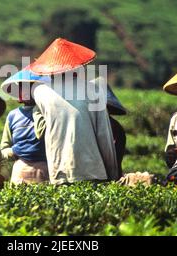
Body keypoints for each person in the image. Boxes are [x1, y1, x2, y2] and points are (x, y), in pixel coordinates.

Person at [28, 38, 119, 185]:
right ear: (76, 65)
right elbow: (104, 136)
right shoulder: (94, 89)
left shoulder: (38, 91)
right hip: (93, 170)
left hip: (58, 171)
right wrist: (113, 174)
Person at [0, 68, 50, 184]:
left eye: (30, 87)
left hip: (45, 167)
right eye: (22, 87)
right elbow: (4, 148)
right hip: (21, 169)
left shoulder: (47, 112)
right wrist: (15, 151)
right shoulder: (13, 115)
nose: (25, 91)